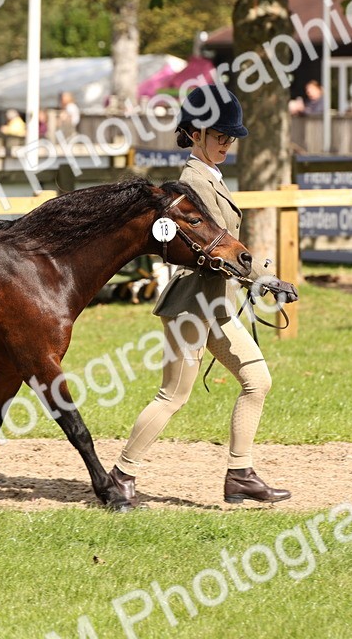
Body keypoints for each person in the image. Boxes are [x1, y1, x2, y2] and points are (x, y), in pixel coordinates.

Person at [107, 85, 298, 509]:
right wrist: (262, 278)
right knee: (173, 395)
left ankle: (240, 474)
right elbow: (216, 248)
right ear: (195, 135)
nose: (227, 145)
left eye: (231, 138)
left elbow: (232, 246)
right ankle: (120, 475)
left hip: (217, 305)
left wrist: (267, 277)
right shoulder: (192, 182)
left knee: (257, 380)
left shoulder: (212, 177)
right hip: (192, 305)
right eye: (219, 137)